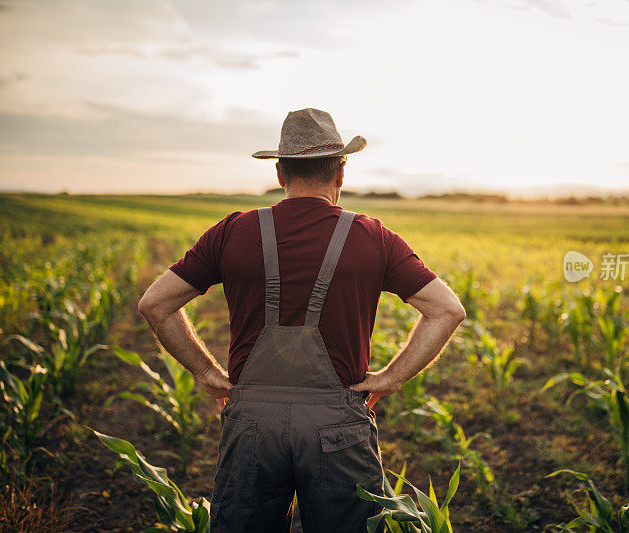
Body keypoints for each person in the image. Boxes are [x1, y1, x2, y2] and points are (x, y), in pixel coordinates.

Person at [137, 108, 466, 532]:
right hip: (338, 425)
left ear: (279, 173)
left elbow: (155, 304)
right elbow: (447, 310)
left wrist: (204, 371)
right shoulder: (373, 236)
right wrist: (391, 377)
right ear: (341, 174)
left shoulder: (232, 231)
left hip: (252, 421)